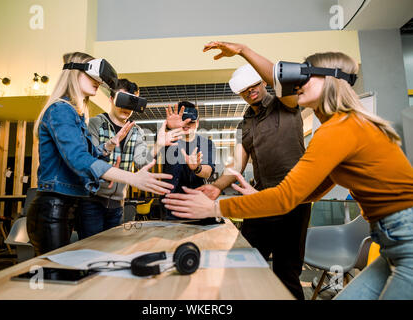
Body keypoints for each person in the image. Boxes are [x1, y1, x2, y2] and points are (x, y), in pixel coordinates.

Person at [162, 42, 413, 300]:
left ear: (331, 80)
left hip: (403, 234)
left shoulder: (300, 110)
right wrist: (222, 188)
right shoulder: (335, 126)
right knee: (246, 261)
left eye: (306, 76)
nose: (299, 82)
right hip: (387, 239)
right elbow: (313, 190)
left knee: (287, 271)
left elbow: (286, 197)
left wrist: (215, 209)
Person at [27, 52, 174, 256]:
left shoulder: (76, 114)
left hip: (68, 206)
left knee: (85, 264)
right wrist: (132, 178)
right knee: (57, 275)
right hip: (55, 207)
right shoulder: (62, 110)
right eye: (93, 76)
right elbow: (81, 160)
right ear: (74, 73)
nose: (98, 82)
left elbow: (90, 153)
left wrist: (110, 146)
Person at [195, 56, 311, 299]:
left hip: (293, 199)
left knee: (286, 273)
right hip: (260, 199)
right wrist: (216, 187)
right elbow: (237, 163)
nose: (250, 92)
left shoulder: (285, 102)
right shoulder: (245, 124)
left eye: (254, 86)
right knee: (242, 260)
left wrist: (242, 50)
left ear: (262, 83)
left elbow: (281, 79)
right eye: (244, 91)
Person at [78, 79, 186, 239]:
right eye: (123, 99)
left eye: (133, 102)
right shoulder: (95, 123)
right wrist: (110, 144)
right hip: (91, 201)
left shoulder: (136, 131)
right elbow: (89, 160)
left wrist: (159, 144)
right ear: (111, 99)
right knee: (88, 250)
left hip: (118, 203)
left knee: (113, 249)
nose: (128, 107)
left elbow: (142, 161)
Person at [163, 101, 216, 220]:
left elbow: (207, 171)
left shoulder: (206, 144)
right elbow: (161, 137)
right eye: (183, 121)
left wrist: (197, 167)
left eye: (191, 122)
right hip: (173, 204)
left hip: (197, 202)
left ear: (197, 122)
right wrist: (169, 127)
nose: (186, 125)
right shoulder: (169, 140)